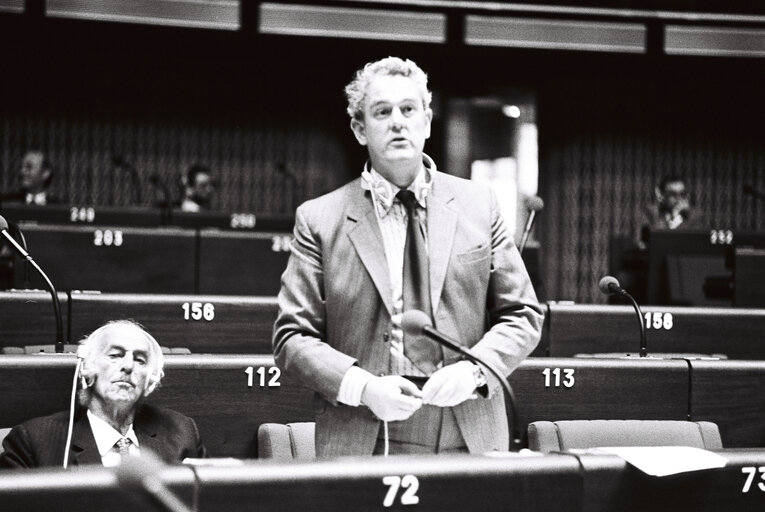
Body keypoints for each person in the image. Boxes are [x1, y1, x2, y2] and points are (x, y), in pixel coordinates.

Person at [273, 57, 543, 457]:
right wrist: (363, 387)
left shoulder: (479, 205)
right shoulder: (319, 219)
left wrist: (474, 371)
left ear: (427, 122)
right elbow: (291, 339)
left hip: (469, 425)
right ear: (360, 128)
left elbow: (523, 315)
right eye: (382, 112)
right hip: (366, 427)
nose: (397, 122)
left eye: (408, 109)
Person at [0, 320, 207, 469]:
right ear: (87, 369)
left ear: (150, 380)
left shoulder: (182, 432)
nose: (128, 366)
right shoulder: (34, 441)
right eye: (115, 355)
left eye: (140, 360)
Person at [635, 175, 702, 250]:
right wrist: (674, 217)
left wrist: (678, 218)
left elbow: (696, 245)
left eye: (682, 194)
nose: (678, 198)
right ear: (662, 195)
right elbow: (644, 243)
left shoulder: (693, 216)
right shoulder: (650, 212)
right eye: (673, 194)